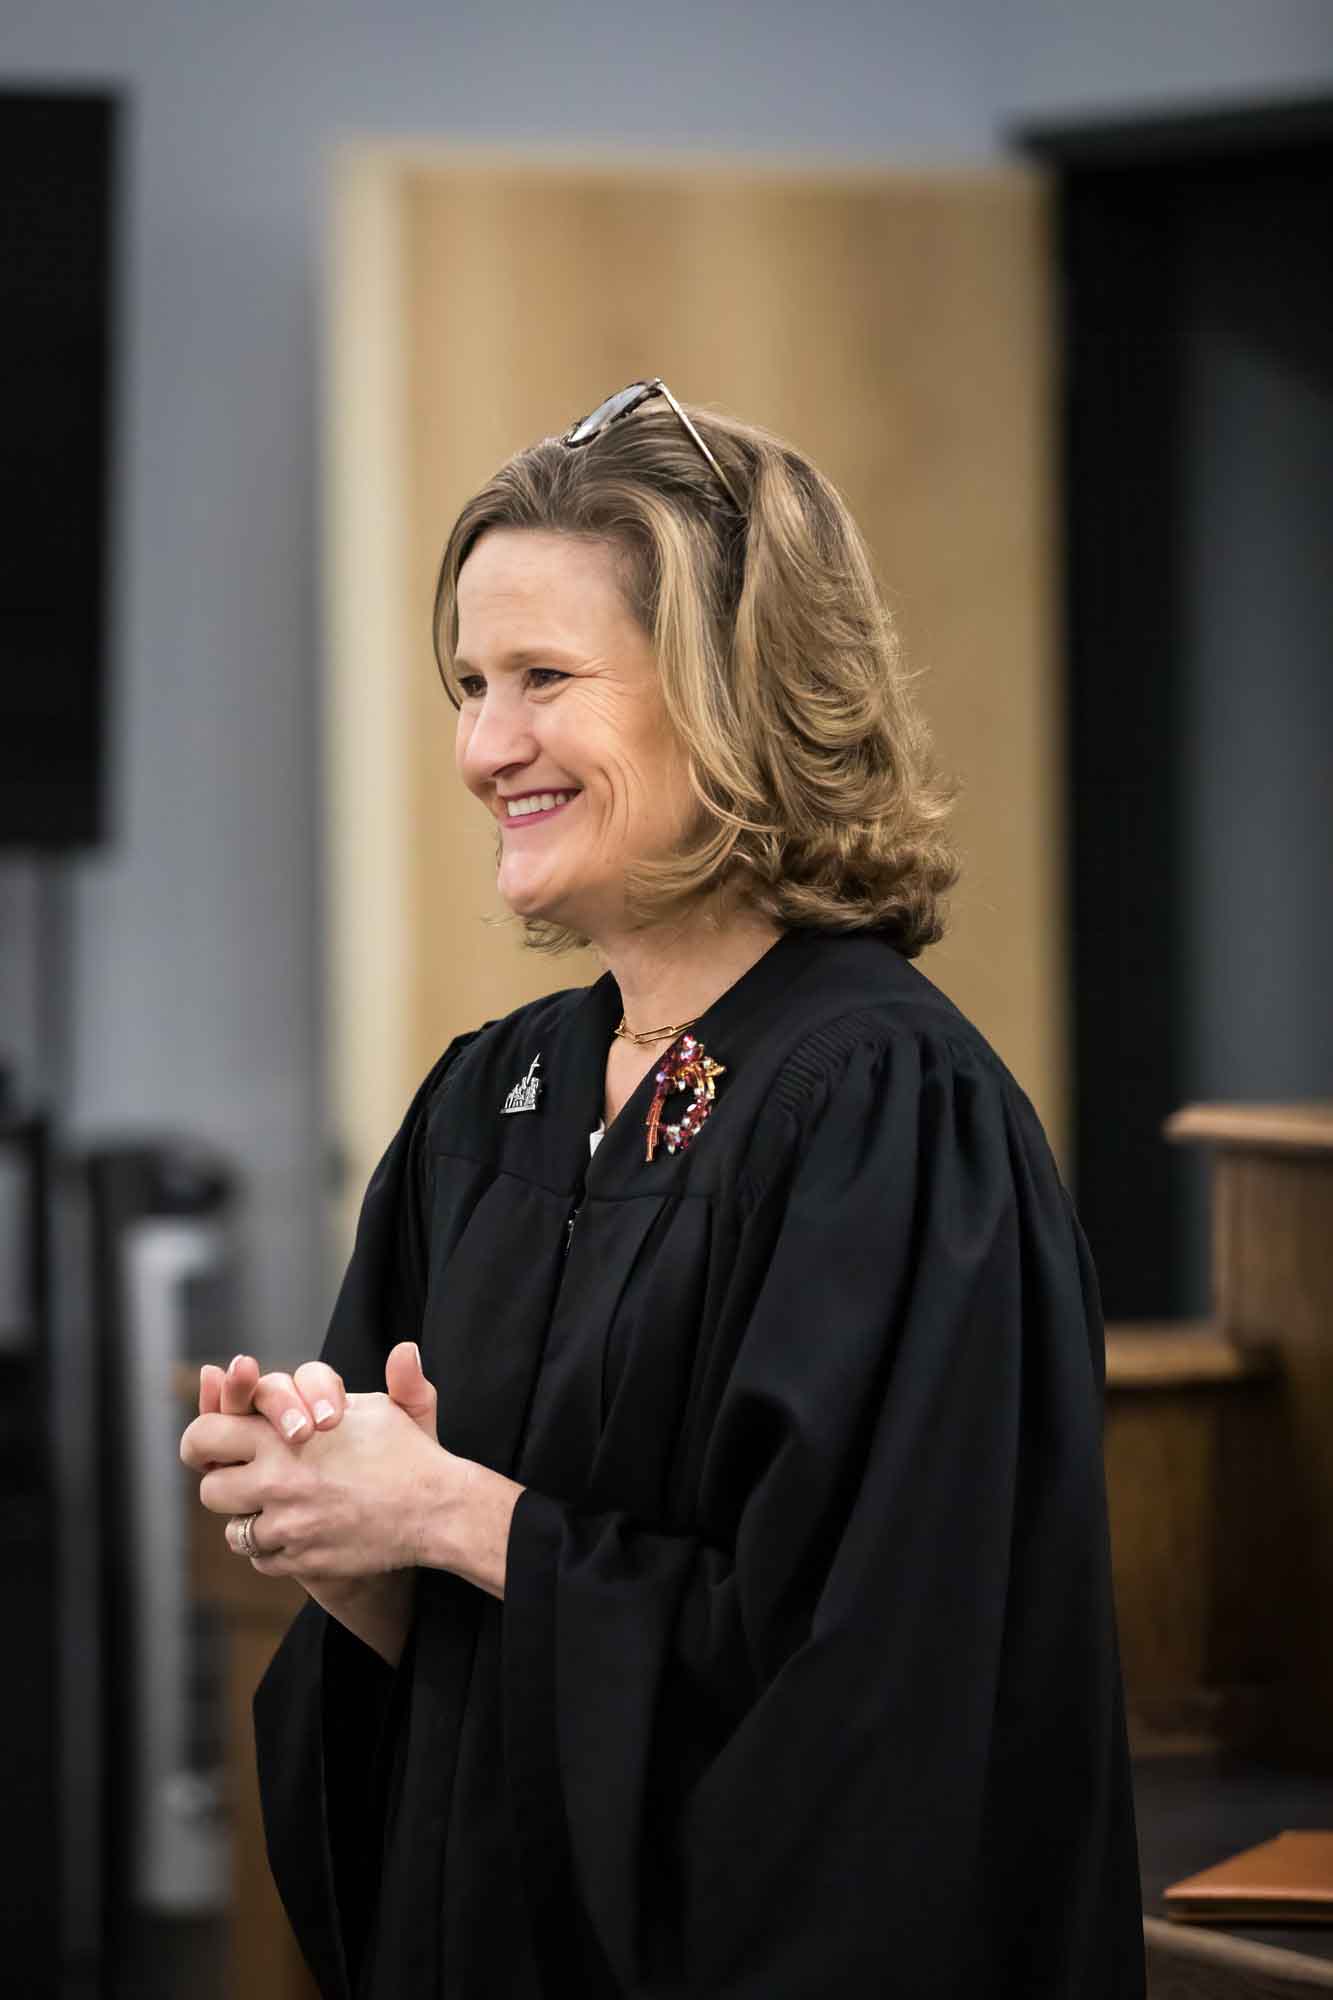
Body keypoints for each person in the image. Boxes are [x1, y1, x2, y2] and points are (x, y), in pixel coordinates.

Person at [180, 379, 1146, 1999]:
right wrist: (356, 1554)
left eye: (545, 679)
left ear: (733, 696)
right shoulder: (495, 1100)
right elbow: (489, 1697)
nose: (487, 747)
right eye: (470, 683)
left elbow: (875, 1718)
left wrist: (462, 1516)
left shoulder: (883, 1112)